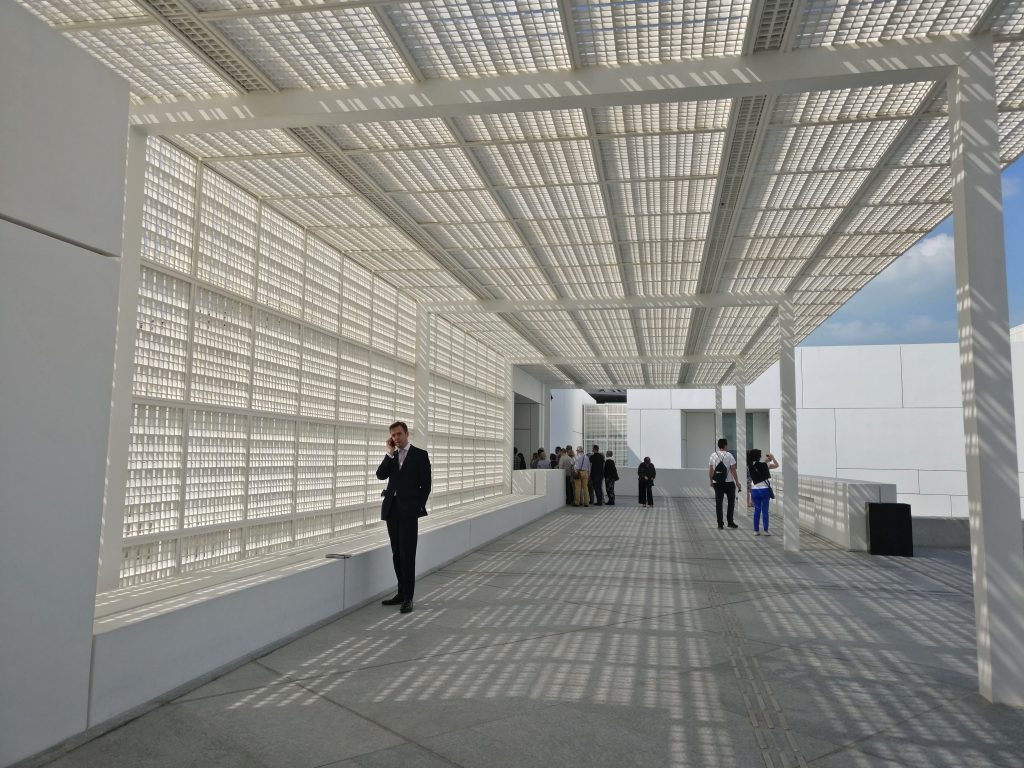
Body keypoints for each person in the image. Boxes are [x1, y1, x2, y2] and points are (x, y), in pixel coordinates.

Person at [376, 421, 431, 613]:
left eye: (399, 434)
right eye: (393, 435)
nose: (396, 438)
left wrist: (417, 508)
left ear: (407, 434)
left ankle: (409, 597)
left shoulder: (420, 456)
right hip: (392, 511)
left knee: (408, 555)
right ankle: (400, 593)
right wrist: (389, 454)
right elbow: (380, 475)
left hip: (409, 512)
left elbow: (426, 485)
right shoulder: (392, 456)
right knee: (396, 554)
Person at [709, 438, 742, 529]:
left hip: (717, 483)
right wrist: (737, 482)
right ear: (725, 445)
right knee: (731, 502)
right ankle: (730, 522)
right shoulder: (729, 455)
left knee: (719, 503)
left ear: (719, 446)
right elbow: (733, 470)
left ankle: (720, 524)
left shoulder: (713, 455)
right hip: (729, 483)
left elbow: (711, 469)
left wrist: (711, 481)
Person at [747, 449, 779, 536]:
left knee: (757, 510)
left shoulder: (750, 465)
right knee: (765, 511)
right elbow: (776, 465)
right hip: (765, 490)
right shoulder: (764, 465)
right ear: (758, 456)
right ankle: (766, 531)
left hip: (755, 490)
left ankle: (756, 531)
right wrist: (772, 458)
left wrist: (766, 460)